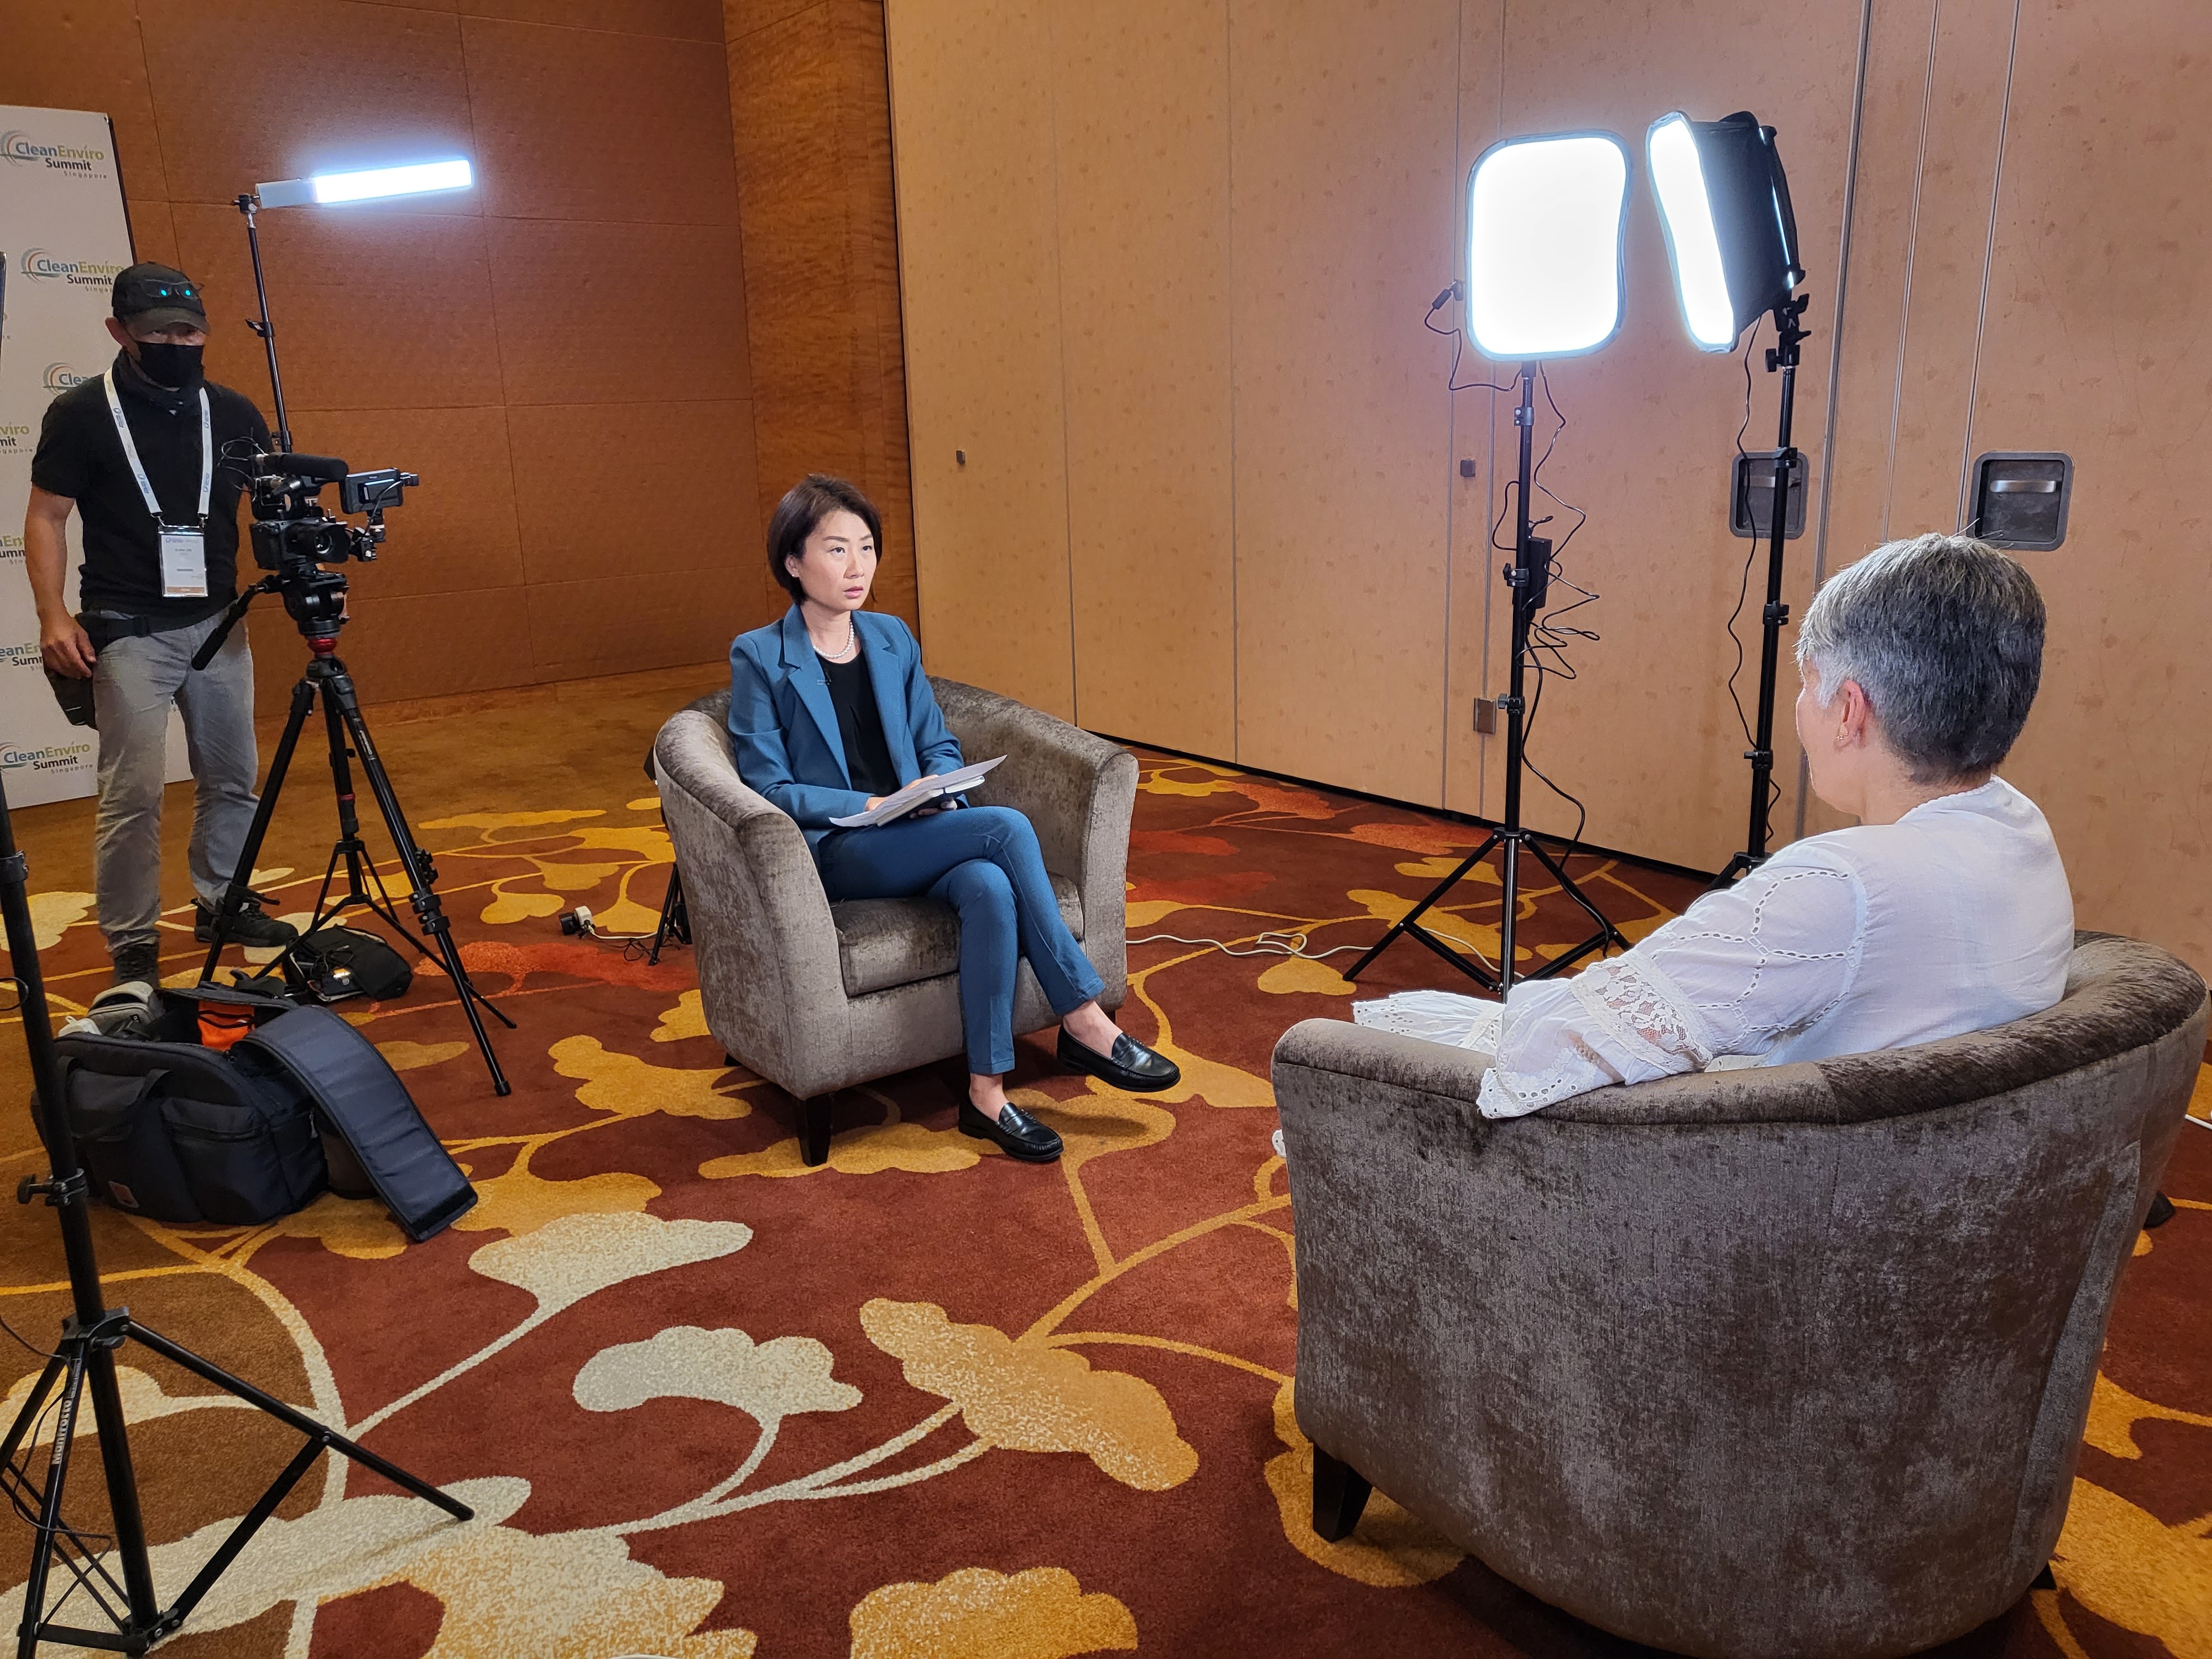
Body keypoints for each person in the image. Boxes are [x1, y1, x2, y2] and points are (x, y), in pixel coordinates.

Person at [1475, 532, 2072, 1116]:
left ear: (1848, 711)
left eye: (1807, 683)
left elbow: (1555, 1045)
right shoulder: (2019, 825)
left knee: (1405, 1027)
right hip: (1914, 1159)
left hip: (1766, 1182)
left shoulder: (1845, 885)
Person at [727, 474, 1180, 1164]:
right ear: (793, 562)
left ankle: (986, 1094)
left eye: (868, 549)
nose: (857, 568)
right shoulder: (760, 655)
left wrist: (939, 789)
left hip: (916, 827)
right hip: (842, 848)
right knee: (1005, 830)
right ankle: (1084, 1018)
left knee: (988, 887)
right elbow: (767, 784)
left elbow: (935, 738)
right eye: (836, 550)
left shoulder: (890, 638)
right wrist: (865, 806)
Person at [25, 263, 298, 986]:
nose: (179, 343)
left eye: (190, 330)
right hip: (127, 626)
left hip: (218, 622)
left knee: (233, 777)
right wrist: (52, 613)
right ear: (120, 333)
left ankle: (223, 900)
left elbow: (270, 507)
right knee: (133, 793)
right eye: (159, 333)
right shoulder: (83, 414)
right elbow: (47, 517)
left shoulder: (233, 413)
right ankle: (132, 937)